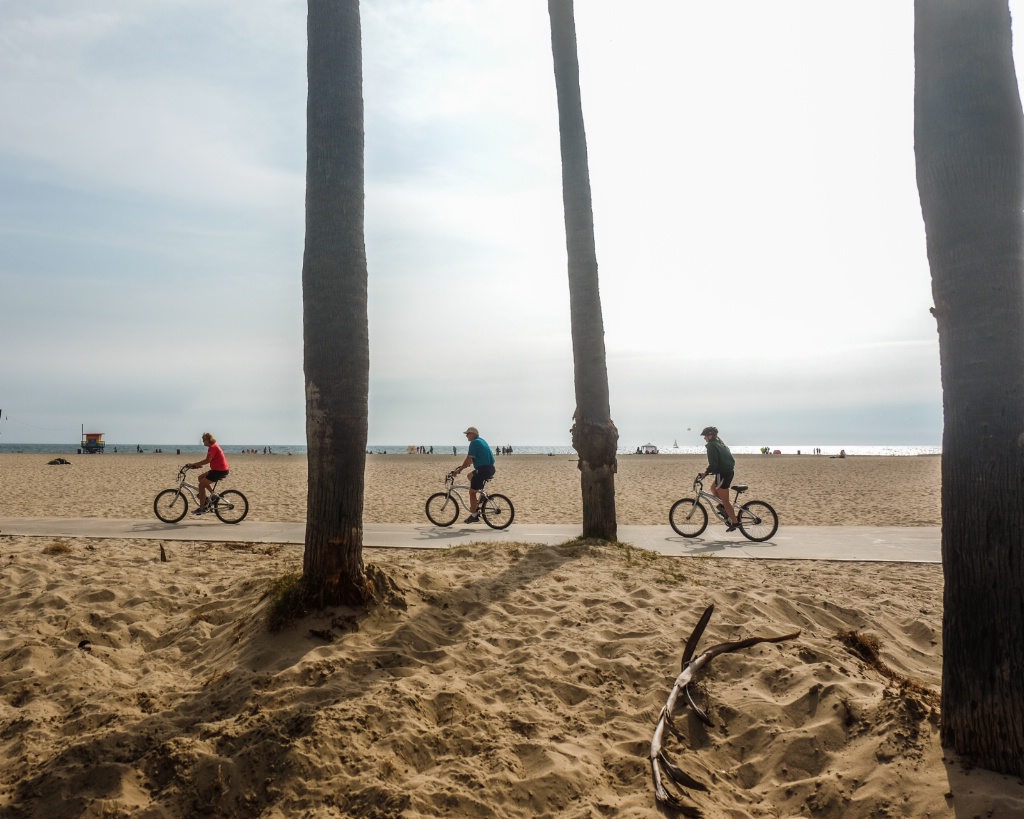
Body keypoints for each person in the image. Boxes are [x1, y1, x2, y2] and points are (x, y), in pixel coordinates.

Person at [451, 426, 495, 523]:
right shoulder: (481, 440)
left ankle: (474, 515)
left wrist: (460, 470)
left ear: (473, 434)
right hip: (490, 468)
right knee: (470, 476)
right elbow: (475, 458)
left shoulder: (474, 443)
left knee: (472, 492)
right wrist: (463, 467)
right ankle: (482, 494)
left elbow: (468, 459)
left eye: (467, 434)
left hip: (483, 469)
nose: (466, 436)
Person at [699, 426, 739, 531]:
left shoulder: (711, 446)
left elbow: (713, 464)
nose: (704, 438)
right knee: (713, 488)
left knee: (725, 501)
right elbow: (730, 461)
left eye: (705, 436)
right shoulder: (721, 444)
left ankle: (734, 522)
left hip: (723, 474)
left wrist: (706, 473)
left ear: (710, 435)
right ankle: (724, 508)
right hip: (728, 472)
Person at [187, 432, 230, 514]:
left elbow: (207, 460)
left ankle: (202, 508)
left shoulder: (213, 447)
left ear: (208, 440)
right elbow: (209, 460)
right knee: (200, 478)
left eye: (204, 440)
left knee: (201, 485)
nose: (203, 442)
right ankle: (213, 495)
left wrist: (194, 464)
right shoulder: (213, 447)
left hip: (220, 471)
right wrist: (196, 466)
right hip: (217, 469)